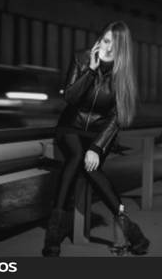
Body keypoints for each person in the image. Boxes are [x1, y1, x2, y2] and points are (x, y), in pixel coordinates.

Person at [42, 21, 150, 257]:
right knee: (76, 157)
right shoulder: (82, 57)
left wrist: (98, 147)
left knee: (91, 167)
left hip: (98, 133)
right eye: (105, 39)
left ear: (121, 48)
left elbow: (116, 117)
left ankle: (132, 232)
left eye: (113, 43)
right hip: (71, 126)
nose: (106, 45)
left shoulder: (123, 73)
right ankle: (53, 234)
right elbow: (70, 97)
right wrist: (90, 71)